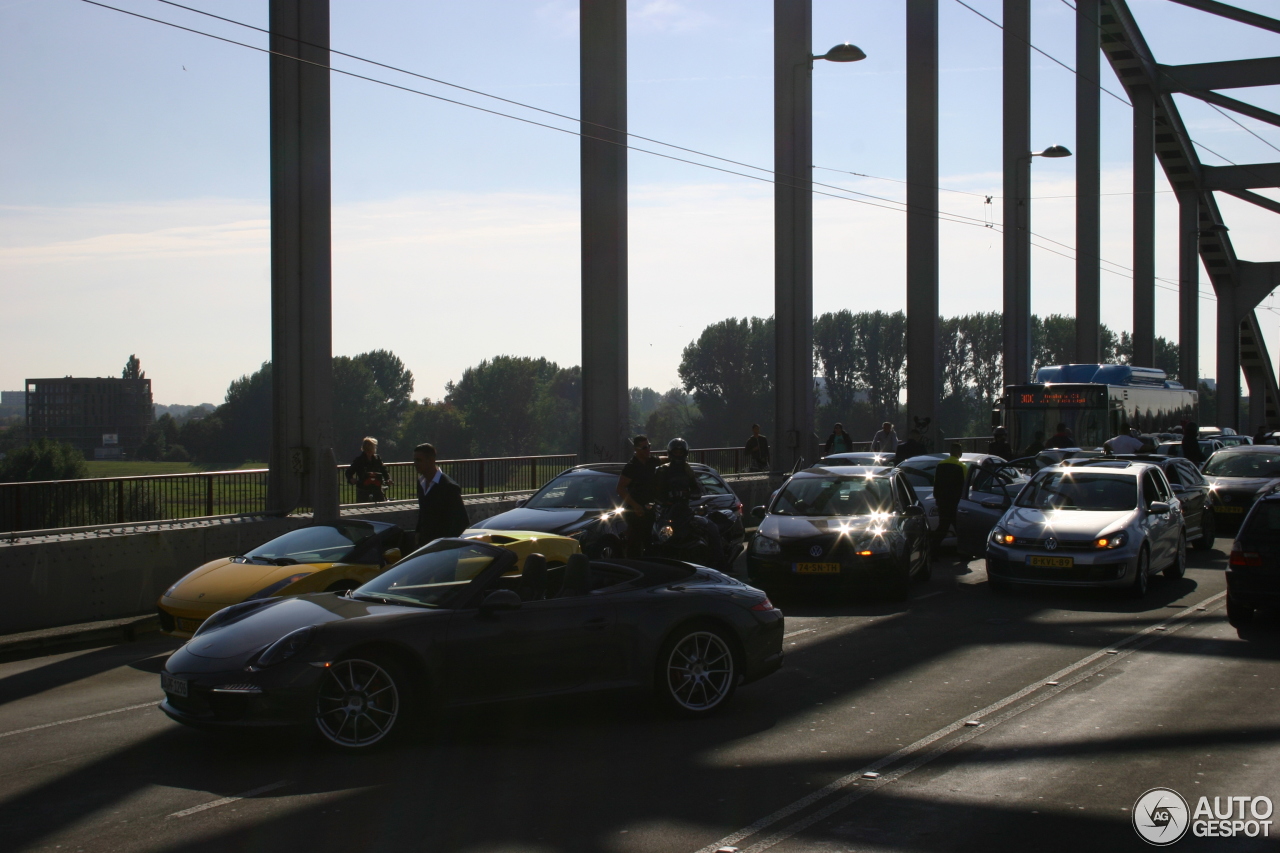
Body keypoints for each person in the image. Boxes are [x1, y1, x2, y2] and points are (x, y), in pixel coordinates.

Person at [652, 438, 725, 567]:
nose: (679, 455)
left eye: (681, 452)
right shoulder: (663, 470)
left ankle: (719, 563)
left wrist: (689, 494)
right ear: (670, 452)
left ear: (685, 453)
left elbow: (698, 489)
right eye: (676, 452)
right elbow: (655, 493)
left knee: (710, 527)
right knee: (653, 535)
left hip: (685, 512)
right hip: (667, 513)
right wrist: (667, 499)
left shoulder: (688, 470)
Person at [413, 442, 468, 548]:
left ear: (431, 460)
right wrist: (418, 532)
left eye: (419, 460)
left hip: (442, 551)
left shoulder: (448, 487)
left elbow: (462, 521)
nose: (415, 463)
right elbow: (423, 512)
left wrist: (445, 544)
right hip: (426, 546)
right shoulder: (421, 483)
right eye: (415, 460)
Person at [617, 435, 659, 558]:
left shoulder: (651, 462)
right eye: (644, 447)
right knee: (635, 544)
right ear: (636, 449)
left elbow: (663, 460)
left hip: (650, 510)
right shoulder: (631, 467)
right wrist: (635, 506)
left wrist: (676, 456)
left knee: (651, 543)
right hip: (636, 513)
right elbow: (620, 488)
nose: (648, 450)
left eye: (649, 446)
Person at [932, 443, 967, 547]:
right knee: (959, 527)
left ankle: (932, 550)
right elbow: (965, 485)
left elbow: (936, 483)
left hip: (942, 501)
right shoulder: (962, 466)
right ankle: (964, 551)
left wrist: (937, 498)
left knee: (943, 526)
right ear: (959, 453)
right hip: (956, 502)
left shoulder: (940, 464)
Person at [347, 436, 391, 502]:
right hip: (363, 488)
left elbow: (383, 470)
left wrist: (388, 479)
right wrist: (351, 479)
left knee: (380, 505)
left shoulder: (377, 458)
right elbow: (348, 472)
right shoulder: (359, 460)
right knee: (362, 506)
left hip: (376, 487)